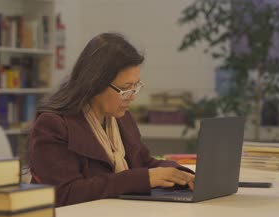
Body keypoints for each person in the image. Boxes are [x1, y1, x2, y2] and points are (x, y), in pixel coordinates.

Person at [28, 33, 195, 207]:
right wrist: (143, 179)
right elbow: (65, 194)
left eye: (135, 86)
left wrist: (183, 174)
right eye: (125, 89)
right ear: (95, 83)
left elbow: (144, 162)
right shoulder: (53, 125)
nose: (131, 97)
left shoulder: (120, 116)